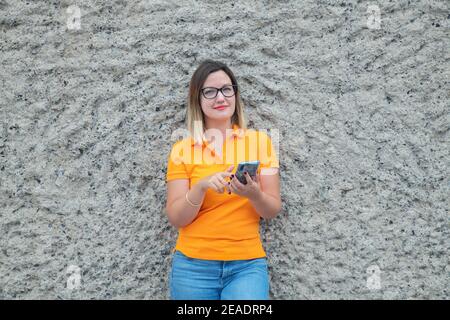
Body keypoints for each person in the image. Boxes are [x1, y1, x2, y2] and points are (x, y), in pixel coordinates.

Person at [165, 60, 281, 300]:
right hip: (192, 267)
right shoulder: (182, 149)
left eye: (227, 89)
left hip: (246, 265)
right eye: (210, 91)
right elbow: (177, 218)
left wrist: (254, 194)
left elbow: (272, 209)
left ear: (235, 94)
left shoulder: (260, 142)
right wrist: (200, 187)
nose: (220, 98)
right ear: (197, 98)